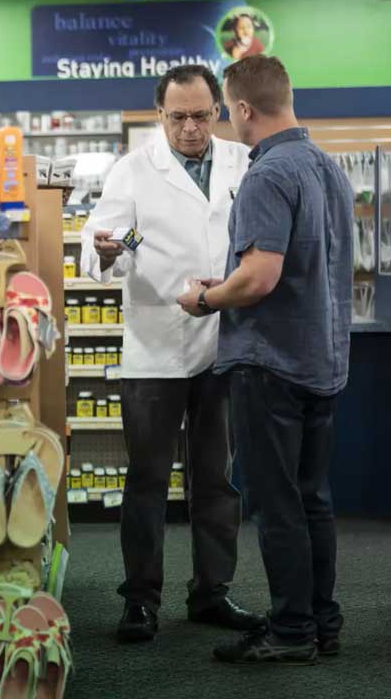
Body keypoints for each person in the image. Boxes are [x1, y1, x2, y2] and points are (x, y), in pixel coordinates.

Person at [177, 54, 354, 665]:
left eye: (225, 108)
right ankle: (319, 622)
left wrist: (204, 296)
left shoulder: (267, 175)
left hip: (270, 366)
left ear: (245, 110)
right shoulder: (328, 169)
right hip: (320, 361)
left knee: (277, 506)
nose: (226, 118)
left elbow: (257, 279)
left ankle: (290, 632)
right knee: (311, 501)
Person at [80, 64, 261, 643]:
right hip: (155, 347)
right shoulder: (133, 170)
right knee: (148, 480)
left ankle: (212, 593)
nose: (190, 128)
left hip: (223, 344)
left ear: (219, 111)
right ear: (159, 115)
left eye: (201, 115)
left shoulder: (242, 162)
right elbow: (105, 244)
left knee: (216, 480)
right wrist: (110, 249)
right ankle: (140, 600)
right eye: (178, 116)